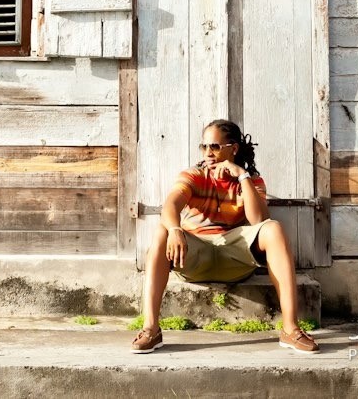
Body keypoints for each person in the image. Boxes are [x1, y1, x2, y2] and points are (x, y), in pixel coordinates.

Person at [130, 118, 320, 354]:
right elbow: (170, 206)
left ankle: (290, 329)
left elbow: (259, 220)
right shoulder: (195, 175)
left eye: (215, 146)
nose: (208, 153)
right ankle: (151, 329)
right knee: (163, 230)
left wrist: (242, 176)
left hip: (235, 257)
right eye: (204, 146)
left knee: (274, 228)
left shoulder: (251, 181)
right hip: (196, 257)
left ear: (233, 148)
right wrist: (176, 230)